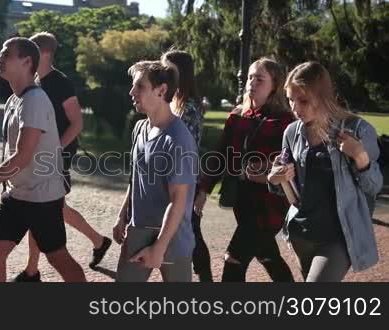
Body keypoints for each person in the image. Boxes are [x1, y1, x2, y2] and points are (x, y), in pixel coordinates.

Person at [0, 37, 86, 282]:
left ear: (27, 62)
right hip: (16, 196)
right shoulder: (14, 100)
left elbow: (22, 156)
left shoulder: (35, 100)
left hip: (42, 198)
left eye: (6, 55)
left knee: (58, 258)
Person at [268, 61, 382, 281]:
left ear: (322, 97)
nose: (295, 109)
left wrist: (360, 156)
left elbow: (374, 186)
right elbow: (287, 189)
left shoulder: (358, 130)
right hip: (302, 233)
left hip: (339, 238)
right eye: (291, 100)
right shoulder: (291, 132)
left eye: (303, 100)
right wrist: (276, 179)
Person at [13, 32, 111, 282]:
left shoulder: (60, 83)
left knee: (41, 209)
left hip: (55, 159)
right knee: (54, 209)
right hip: (39, 159)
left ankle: (32, 271)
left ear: (44, 53)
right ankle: (98, 241)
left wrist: (53, 150)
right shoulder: (34, 82)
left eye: (31, 50)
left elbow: (77, 123)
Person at [195, 57, 295, 282]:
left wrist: (268, 166)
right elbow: (219, 156)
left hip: (270, 206)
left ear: (275, 85)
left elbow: (294, 162)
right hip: (243, 202)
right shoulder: (238, 115)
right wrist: (203, 191)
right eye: (250, 77)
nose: (252, 82)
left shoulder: (284, 121)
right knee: (268, 256)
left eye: (260, 79)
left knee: (233, 260)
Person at [113, 60, 198, 282]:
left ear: (161, 91)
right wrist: (122, 216)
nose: (132, 92)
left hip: (172, 238)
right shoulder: (140, 128)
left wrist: (159, 248)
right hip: (138, 230)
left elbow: (178, 200)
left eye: (139, 86)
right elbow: (136, 178)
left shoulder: (178, 139)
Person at [161, 49, 212, 282]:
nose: (163, 73)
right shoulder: (173, 102)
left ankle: (203, 277)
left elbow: (183, 148)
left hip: (184, 177)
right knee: (189, 228)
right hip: (173, 176)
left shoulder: (188, 106)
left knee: (190, 229)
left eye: (168, 69)